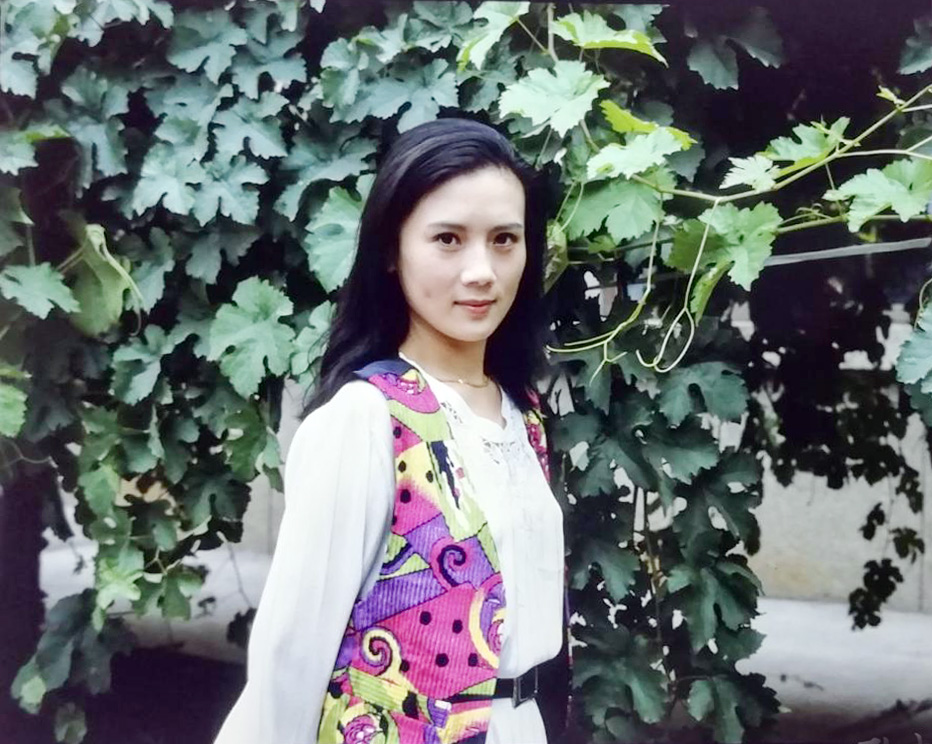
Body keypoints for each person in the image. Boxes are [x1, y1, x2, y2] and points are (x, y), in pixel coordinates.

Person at [214, 118, 568, 744]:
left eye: (504, 239)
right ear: (390, 249)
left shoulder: (522, 413)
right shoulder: (365, 419)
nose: (482, 270)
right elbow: (290, 658)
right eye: (448, 239)